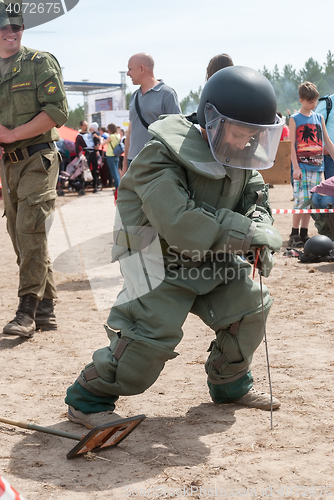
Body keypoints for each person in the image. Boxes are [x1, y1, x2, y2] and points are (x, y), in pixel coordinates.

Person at [65, 66, 285, 429]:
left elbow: (254, 198)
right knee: (144, 349)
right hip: (155, 261)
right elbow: (180, 223)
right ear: (213, 119)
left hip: (212, 257)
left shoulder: (239, 154)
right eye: (240, 132)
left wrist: (260, 233)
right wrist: (247, 232)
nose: (246, 142)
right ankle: (88, 399)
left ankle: (229, 384)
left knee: (250, 308)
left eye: (253, 135)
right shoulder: (161, 155)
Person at [0, 1, 68, 338]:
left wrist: (11, 134)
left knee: (30, 228)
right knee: (21, 235)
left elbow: (57, 111)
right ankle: (45, 309)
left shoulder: (39, 62)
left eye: (16, 26)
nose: (10, 32)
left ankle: (26, 310)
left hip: (38, 158)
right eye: (4, 26)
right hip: (8, 166)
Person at [288, 82, 334, 248]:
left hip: (317, 167)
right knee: (300, 200)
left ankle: (304, 233)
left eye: (315, 101)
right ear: (301, 100)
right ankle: (294, 233)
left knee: (310, 201)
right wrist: (296, 167)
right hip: (302, 167)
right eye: (310, 101)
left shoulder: (319, 118)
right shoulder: (294, 119)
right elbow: (291, 145)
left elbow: (327, 142)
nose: (313, 104)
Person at [122, 52, 181, 175]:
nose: (128, 73)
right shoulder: (134, 96)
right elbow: (130, 131)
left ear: (141, 68)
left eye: (130, 69)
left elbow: (178, 131)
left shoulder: (167, 94)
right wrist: (124, 165)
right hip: (133, 162)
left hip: (157, 163)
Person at [316, 94, 334, 179]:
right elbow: (314, 127)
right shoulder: (327, 103)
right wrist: (323, 147)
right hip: (331, 157)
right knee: (332, 190)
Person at [103, 123, 121, 189]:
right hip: (116, 155)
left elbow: (103, 143)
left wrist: (100, 139)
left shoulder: (111, 137)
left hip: (110, 155)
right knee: (116, 171)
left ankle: (117, 187)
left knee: (114, 173)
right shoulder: (118, 135)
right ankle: (119, 186)